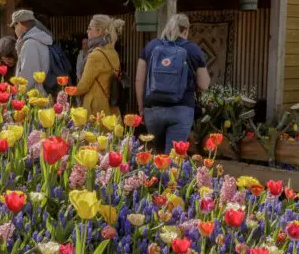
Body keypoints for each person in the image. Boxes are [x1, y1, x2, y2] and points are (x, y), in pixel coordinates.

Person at [136, 14, 210, 153]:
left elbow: (139, 80)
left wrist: (141, 108)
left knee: (156, 155)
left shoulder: (151, 46)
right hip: (181, 110)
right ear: (186, 30)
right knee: (174, 157)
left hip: (153, 110)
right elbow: (204, 85)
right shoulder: (193, 49)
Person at [74, 15, 124, 117]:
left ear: (99, 31)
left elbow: (83, 86)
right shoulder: (113, 53)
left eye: (89, 28)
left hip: (95, 110)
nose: (87, 31)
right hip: (110, 108)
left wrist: (67, 91)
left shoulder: (95, 55)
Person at [10, 9, 53, 92]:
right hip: (39, 93)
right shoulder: (39, 40)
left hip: (33, 96)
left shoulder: (30, 44)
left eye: (14, 26)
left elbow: (27, 78)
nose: (14, 30)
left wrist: (18, 94)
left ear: (19, 24)